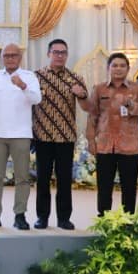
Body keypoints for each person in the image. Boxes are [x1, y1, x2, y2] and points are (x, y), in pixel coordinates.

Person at [0, 43, 42, 229]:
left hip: (21, 134)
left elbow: (36, 99)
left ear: (20, 57)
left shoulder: (29, 77)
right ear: (2, 58)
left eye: (13, 55)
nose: (10, 58)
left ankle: (20, 215)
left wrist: (22, 86)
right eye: (6, 55)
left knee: (22, 177)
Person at [32, 39, 88, 230]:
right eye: (56, 52)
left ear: (67, 55)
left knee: (64, 179)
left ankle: (64, 218)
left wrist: (82, 95)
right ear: (48, 54)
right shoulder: (36, 77)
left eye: (63, 52)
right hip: (42, 136)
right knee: (43, 179)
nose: (59, 56)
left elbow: (87, 107)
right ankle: (42, 217)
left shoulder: (76, 78)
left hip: (65, 136)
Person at [85, 52, 138, 215]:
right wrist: (91, 140)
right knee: (104, 186)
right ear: (108, 68)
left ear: (128, 68)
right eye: (115, 65)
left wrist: (129, 103)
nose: (118, 69)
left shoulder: (137, 88)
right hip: (106, 145)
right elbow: (93, 115)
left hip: (129, 145)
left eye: (122, 66)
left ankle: (128, 221)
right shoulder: (99, 89)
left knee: (129, 187)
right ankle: (104, 218)